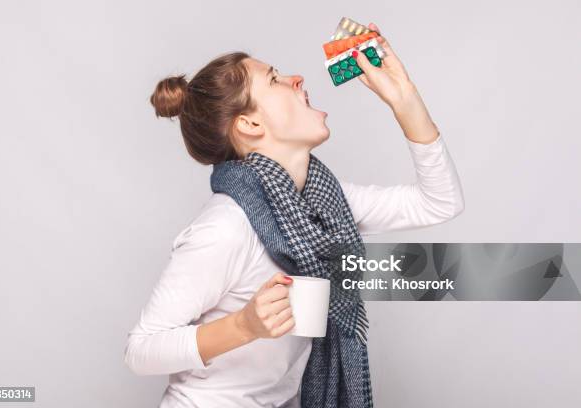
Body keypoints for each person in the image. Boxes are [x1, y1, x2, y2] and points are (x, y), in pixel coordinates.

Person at [124, 22, 465, 408]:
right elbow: (141, 349)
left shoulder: (325, 205)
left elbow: (440, 201)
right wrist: (243, 325)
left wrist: (404, 100)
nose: (297, 78)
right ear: (250, 124)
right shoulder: (227, 226)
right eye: (275, 79)